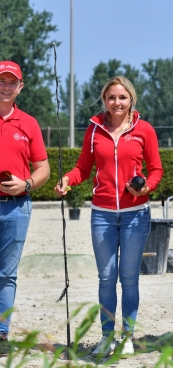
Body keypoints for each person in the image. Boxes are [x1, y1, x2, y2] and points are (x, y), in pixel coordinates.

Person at [54, 76, 163, 357]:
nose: (117, 102)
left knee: (129, 278)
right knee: (105, 278)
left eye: (122, 97)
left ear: (131, 100)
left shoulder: (145, 130)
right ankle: (106, 335)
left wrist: (146, 188)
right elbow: (82, 167)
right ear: (104, 100)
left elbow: (156, 170)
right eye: (112, 97)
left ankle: (126, 336)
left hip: (135, 216)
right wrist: (67, 179)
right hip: (102, 214)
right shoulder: (94, 130)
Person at [0, 60, 50, 356]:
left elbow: (42, 167)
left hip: (18, 207)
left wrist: (27, 184)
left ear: (20, 87)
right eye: (2, 81)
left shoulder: (28, 123)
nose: (6, 87)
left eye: (11, 82)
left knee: (6, 274)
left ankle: (2, 332)